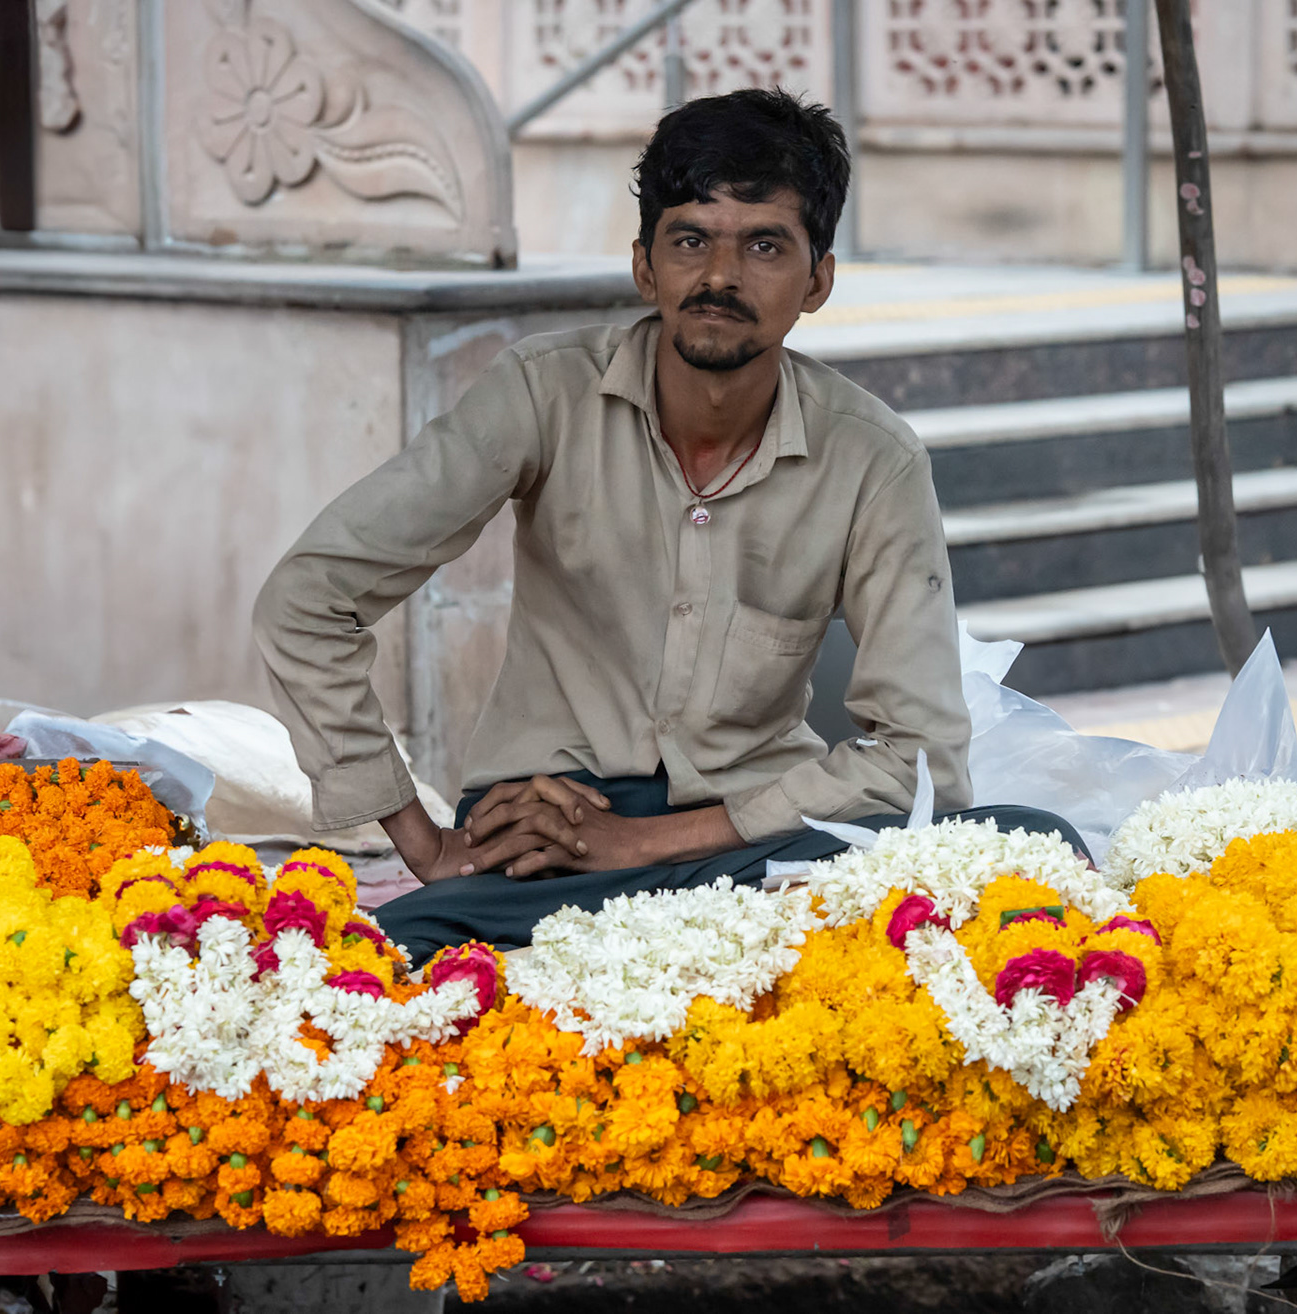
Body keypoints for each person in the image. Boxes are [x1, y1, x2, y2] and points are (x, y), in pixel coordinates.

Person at [254, 89, 1085, 964]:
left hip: (754, 847)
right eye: (690, 240)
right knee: (367, 969)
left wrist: (645, 844)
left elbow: (921, 760)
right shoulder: (544, 394)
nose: (720, 277)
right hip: (543, 847)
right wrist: (421, 841)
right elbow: (308, 600)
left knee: (1031, 844)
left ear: (818, 280)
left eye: (764, 245)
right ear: (647, 267)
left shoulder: (873, 458)